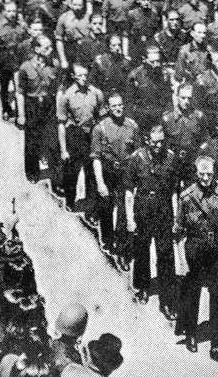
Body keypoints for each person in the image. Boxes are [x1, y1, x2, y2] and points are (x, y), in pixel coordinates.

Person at [177, 155, 218, 366]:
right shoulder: (186, 197)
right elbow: (180, 232)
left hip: (216, 250)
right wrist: (181, 261)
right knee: (193, 293)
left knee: (217, 297)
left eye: (209, 173)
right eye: (202, 174)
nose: (206, 178)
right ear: (196, 173)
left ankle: (217, 345)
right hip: (195, 249)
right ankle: (191, 332)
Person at [124, 125, 179, 314]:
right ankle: (143, 287)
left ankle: (167, 300)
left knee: (166, 255)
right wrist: (130, 218)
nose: (158, 145)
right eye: (155, 142)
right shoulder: (137, 158)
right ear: (147, 140)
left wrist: (176, 218)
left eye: (162, 141)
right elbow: (129, 191)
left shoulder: (171, 158)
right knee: (141, 250)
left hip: (163, 209)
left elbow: (174, 191)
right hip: (143, 209)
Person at [90, 93, 140, 259]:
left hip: (126, 173)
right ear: (108, 108)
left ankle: (123, 250)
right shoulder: (100, 128)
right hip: (108, 172)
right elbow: (96, 158)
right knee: (106, 207)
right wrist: (100, 183)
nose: (118, 109)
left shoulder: (132, 126)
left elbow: (138, 154)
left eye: (120, 105)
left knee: (124, 212)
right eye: (114, 106)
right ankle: (107, 240)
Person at [56, 63, 105, 216]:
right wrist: (63, 149)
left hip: (92, 135)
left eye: (86, 75)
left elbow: (102, 117)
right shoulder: (67, 96)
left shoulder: (96, 93)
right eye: (80, 75)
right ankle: (70, 200)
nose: (84, 78)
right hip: (75, 135)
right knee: (72, 171)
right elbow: (61, 124)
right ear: (73, 77)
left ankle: (90, 209)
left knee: (91, 172)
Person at [17, 35, 60, 184]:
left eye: (51, 46)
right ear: (36, 49)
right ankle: (32, 171)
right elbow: (20, 93)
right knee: (32, 141)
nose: (51, 50)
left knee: (53, 140)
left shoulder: (55, 65)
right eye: (46, 47)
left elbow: (58, 89)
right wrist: (21, 115)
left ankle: (55, 175)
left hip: (49, 105)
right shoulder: (25, 68)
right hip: (32, 106)